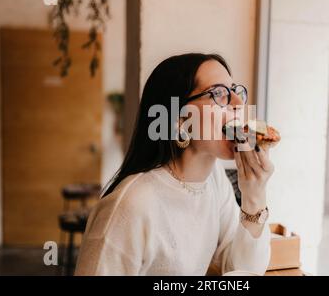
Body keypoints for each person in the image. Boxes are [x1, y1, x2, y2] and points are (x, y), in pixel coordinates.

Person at [75, 53, 274, 275]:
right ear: (180, 118)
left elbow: (243, 271)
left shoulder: (215, 180)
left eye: (236, 91)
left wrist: (255, 195)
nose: (238, 103)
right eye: (218, 93)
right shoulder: (131, 206)